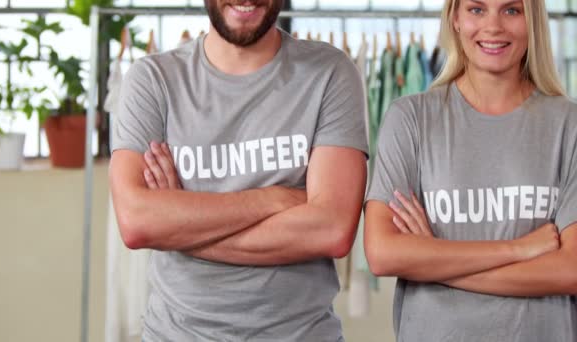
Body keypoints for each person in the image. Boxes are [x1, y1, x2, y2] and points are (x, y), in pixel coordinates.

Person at [109, 0, 369, 340]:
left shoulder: (330, 73)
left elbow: (332, 230)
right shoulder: (152, 79)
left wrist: (180, 226)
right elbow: (137, 223)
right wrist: (273, 199)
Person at [364, 0, 577, 341]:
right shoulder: (410, 119)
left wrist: (432, 260)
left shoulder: (569, 125)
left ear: (532, 21)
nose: (493, 26)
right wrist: (517, 249)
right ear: (455, 19)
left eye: (511, 10)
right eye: (477, 9)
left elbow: (570, 270)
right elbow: (383, 254)